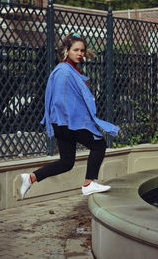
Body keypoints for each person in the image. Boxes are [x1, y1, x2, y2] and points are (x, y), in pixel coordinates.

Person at [20, 33, 119, 199]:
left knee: (67, 162)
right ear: (66, 50)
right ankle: (88, 183)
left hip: (62, 124)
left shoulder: (70, 70)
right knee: (99, 144)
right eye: (76, 50)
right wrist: (76, 121)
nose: (80, 53)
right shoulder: (63, 72)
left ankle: (31, 178)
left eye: (82, 50)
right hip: (67, 123)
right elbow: (61, 101)